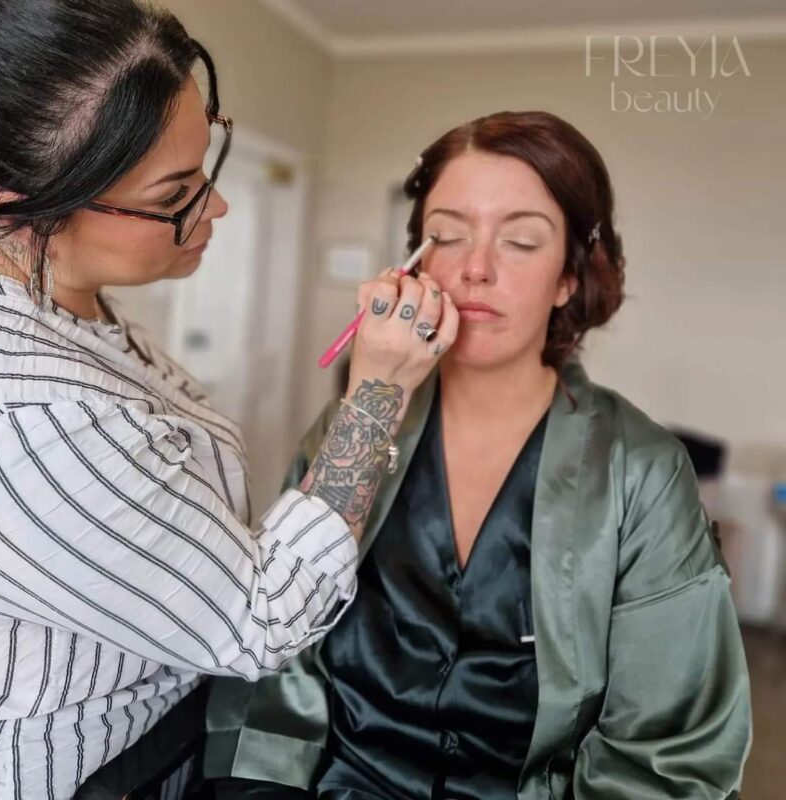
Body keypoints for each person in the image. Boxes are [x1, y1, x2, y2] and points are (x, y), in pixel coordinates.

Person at [203, 111, 753, 800]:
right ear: (415, 261)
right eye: (446, 235)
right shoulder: (354, 428)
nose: (475, 268)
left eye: (521, 241)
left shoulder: (639, 470)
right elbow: (279, 658)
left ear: (568, 279)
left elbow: (667, 751)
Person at [0, 1, 457, 797]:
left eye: (209, 163)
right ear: (22, 212)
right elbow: (259, 619)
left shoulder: (75, 307)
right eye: (176, 190)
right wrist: (376, 394)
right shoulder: (31, 419)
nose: (216, 205)